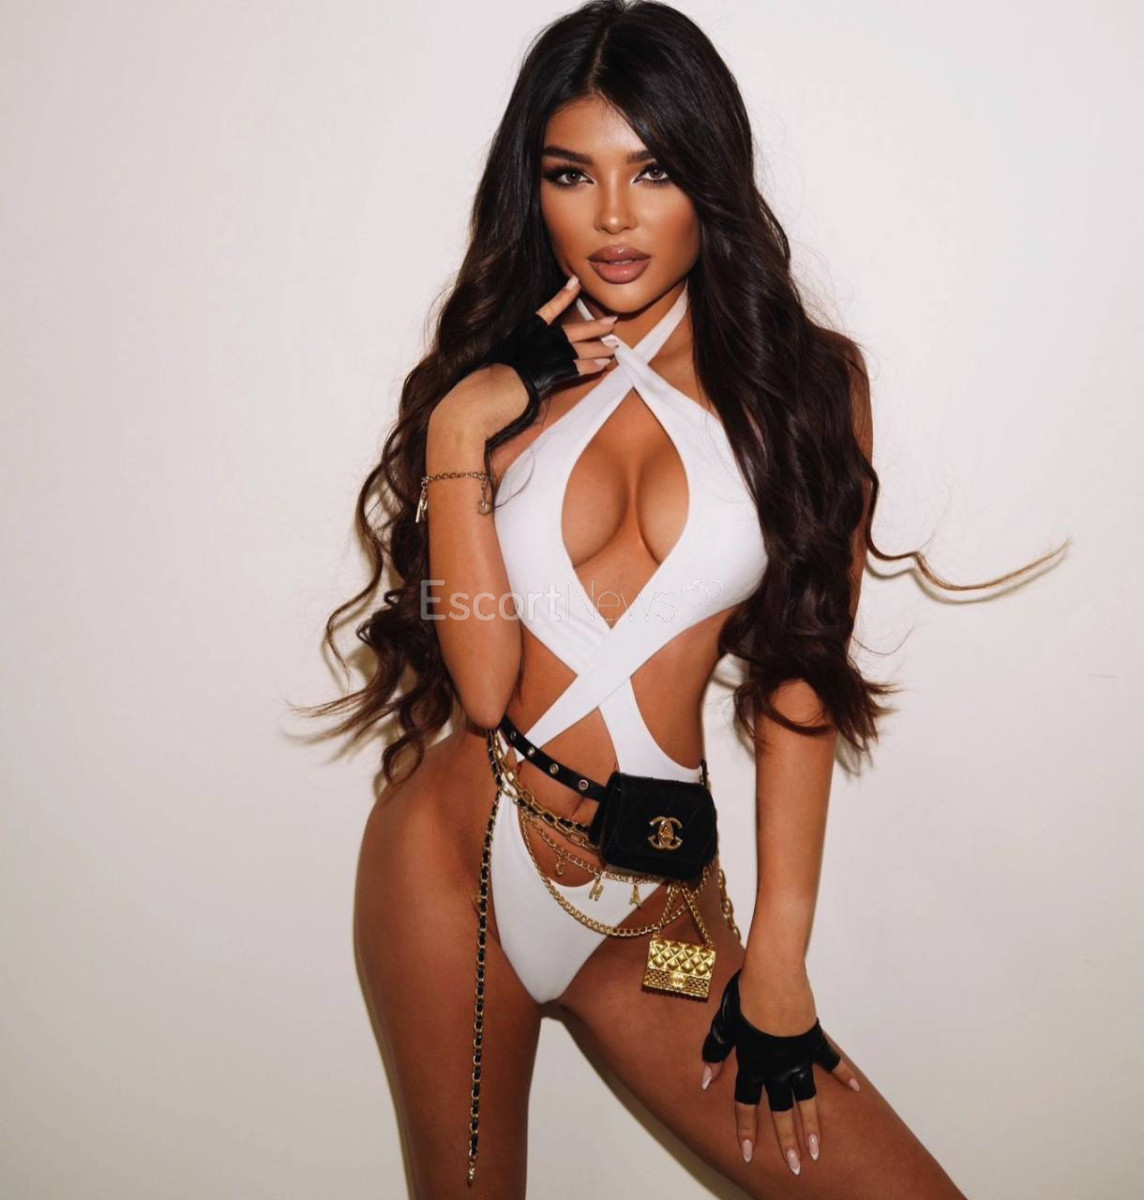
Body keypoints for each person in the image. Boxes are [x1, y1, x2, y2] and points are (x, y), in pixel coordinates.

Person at [302, 2, 1064, 1195]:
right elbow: (486, 686)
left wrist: (780, 954)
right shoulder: (492, 391)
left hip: (659, 907)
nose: (612, 216)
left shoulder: (806, 385)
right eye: (571, 174)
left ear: (707, 173)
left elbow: (801, 675)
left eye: (650, 170)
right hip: (458, 863)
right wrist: (458, 429)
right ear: (532, 189)